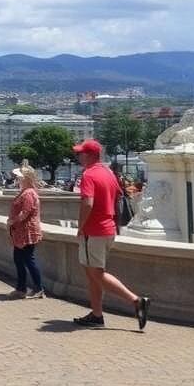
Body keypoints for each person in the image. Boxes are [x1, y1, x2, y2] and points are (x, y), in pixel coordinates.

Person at [72, 139, 150, 329]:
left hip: (93, 230)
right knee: (93, 274)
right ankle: (97, 315)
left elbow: (88, 203)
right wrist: (116, 227)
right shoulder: (109, 173)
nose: (78, 156)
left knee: (96, 274)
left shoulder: (89, 175)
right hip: (107, 229)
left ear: (89, 155)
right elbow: (117, 200)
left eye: (81, 153)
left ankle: (136, 301)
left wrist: (81, 227)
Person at [7, 165, 44, 299]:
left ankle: (38, 288)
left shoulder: (28, 193)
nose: (17, 179)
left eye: (19, 177)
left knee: (28, 260)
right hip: (21, 230)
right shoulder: (26, 191)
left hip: (27, 230)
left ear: (25, 178)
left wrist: (12, 221)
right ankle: (21, 288)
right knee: (19, 260)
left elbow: (25, 213)